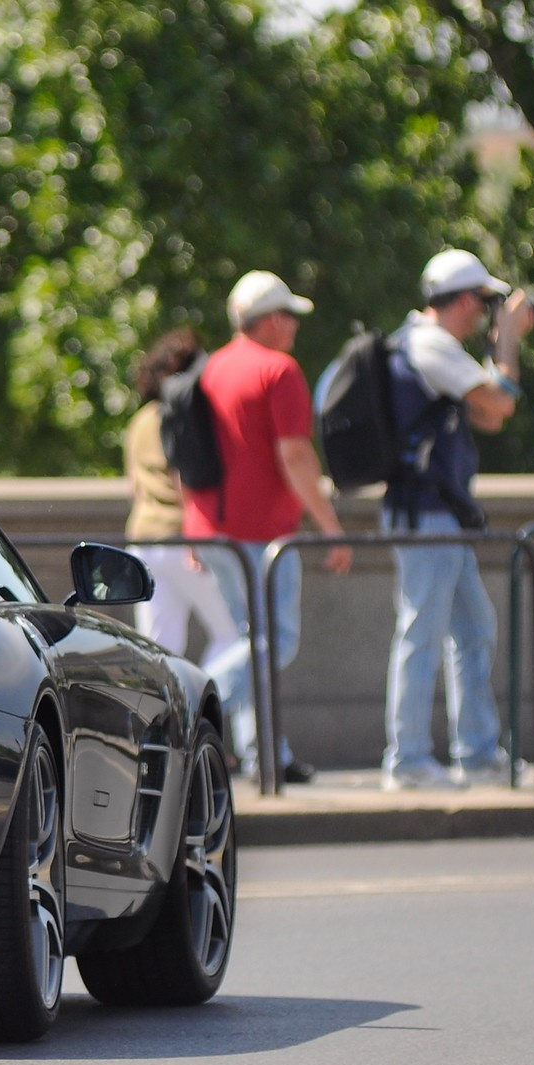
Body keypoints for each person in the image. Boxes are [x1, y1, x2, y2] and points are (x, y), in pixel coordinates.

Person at [183, 271, 352, 784]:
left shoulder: (207, 369)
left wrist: (196, 527)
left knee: (250, 639)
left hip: (210, 528)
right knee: (275, 639)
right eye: (292, 318)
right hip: (261, 534)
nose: (295, 328)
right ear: (274, 320)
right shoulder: (279, 370)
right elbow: (296, 456)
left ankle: (264, 754)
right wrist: (330, 527)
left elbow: (188, 454)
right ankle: (189, 709)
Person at [380, 249, 534, 790]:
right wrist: (509, 339)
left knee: (472, 630)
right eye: (486, 303)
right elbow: (503, 402)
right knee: (421, 633)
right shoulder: (431, 344)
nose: (486, 314)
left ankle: (475, 752)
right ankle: (408, 761)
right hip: (426, 516)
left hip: (439, 515)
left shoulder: (418, 344)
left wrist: (499, 349)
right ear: (466, 299)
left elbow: (487, 416)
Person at [123, 327, 240, 668]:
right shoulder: (181, 417)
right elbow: (183, 477)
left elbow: (134, 485)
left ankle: (166, 719)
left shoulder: (139, 420)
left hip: (142, 539)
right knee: (234, 635)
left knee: (160, 650)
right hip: (180, 535)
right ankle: (203, 708)